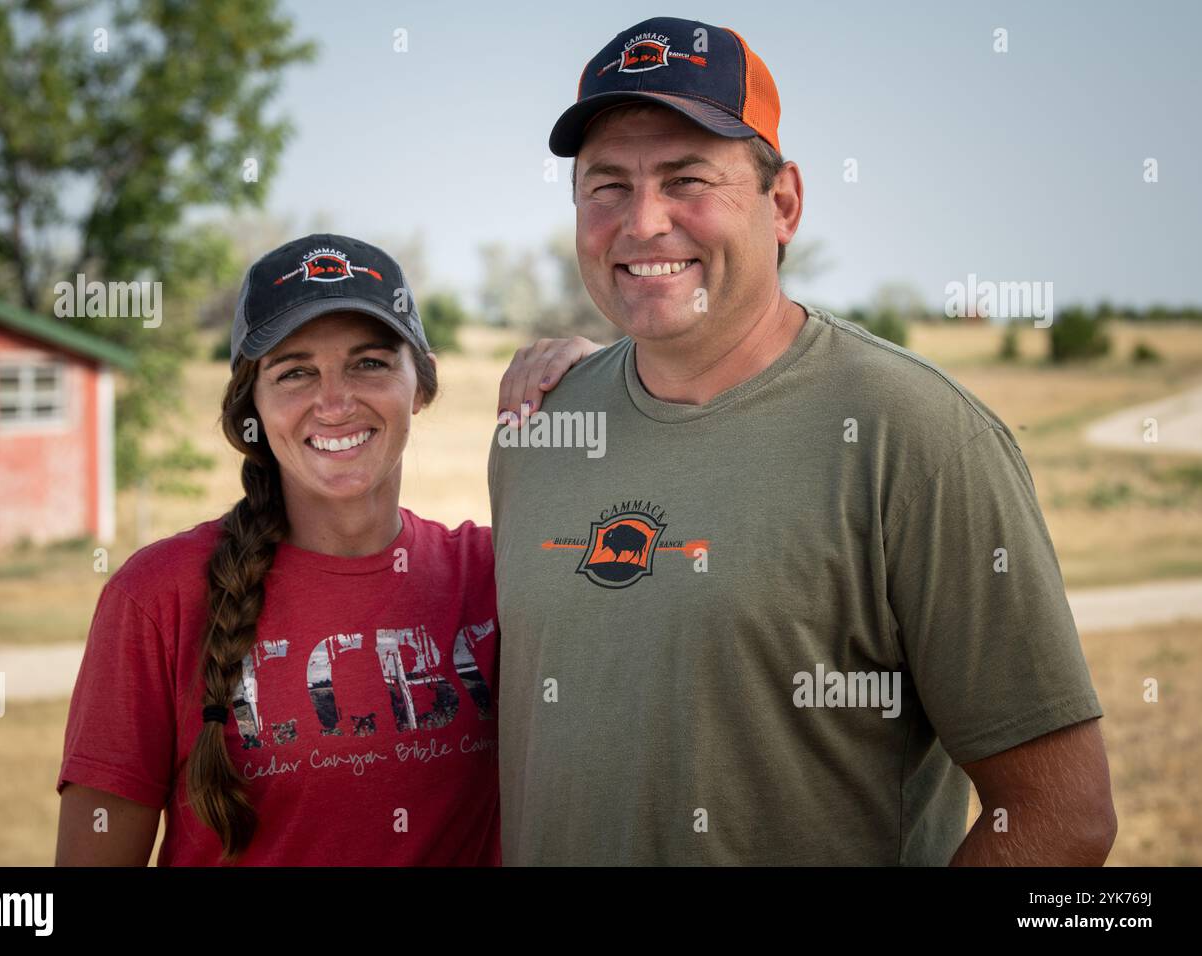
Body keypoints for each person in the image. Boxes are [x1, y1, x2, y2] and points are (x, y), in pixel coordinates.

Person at [489, 17, 1117, 865]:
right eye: (607, 186)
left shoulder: (920, 439)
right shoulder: (538, 429)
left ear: (782, 203)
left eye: (686, 179)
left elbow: (1061, 816)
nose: (642, 223)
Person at [55, 234, 597, 865]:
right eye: (295, 372)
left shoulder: (497, 571)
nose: (335, 402)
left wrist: (601, 381)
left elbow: (658, 586)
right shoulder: (159, 595)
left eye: (370, 363)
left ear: (419, 386)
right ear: (249, 406)